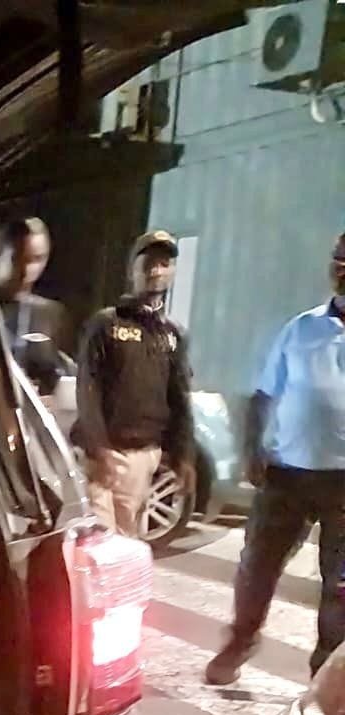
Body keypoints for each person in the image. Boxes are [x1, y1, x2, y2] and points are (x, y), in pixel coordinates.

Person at [205, 233, 345, 685]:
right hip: (287, 474)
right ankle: (241, 639)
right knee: (257, 566)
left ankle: (326, 674)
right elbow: (263, 394)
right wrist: (253, 448)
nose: (342, 268)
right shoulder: (301, 328)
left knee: (340, 587)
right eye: (338, 259)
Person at [72, 231, 194, 539]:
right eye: (148, 262)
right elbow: (88, 388)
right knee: (96, 543)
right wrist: (98, 448)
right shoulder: (106, 324)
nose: (156, 270)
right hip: (104, 455)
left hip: (143, 457)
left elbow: (179, 396)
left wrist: (184, 455)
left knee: (125, 541)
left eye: (165, 263)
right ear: (132, 270)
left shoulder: (173, 334)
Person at [0, 216, 72, 397]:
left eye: (37, 259)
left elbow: (59, 375)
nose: (27, 270)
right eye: (18, 258)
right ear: (0, 255)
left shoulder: (52, 314)